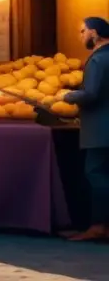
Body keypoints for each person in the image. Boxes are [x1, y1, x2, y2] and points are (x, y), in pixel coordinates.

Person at [64, 16, 109, 241]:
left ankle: (99, 226)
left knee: (96, 174)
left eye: (82, 31)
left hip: (101, 129)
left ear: (94, 33)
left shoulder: (98, 60)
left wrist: (68, 95)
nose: (80, 36)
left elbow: (91, 93)